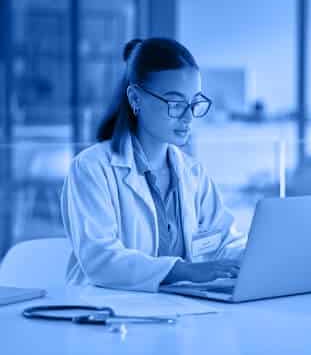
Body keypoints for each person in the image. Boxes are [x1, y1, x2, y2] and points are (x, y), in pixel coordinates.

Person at [61, 38, 246, 292]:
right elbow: (101, 259)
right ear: (135, 98)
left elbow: (224, 241)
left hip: (179, 313)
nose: (189, 116)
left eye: (194, 103)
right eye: (176, 103)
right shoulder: (91, 168)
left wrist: (255, 258)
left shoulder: (193, 174)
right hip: (107, 315)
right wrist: (184, 270)